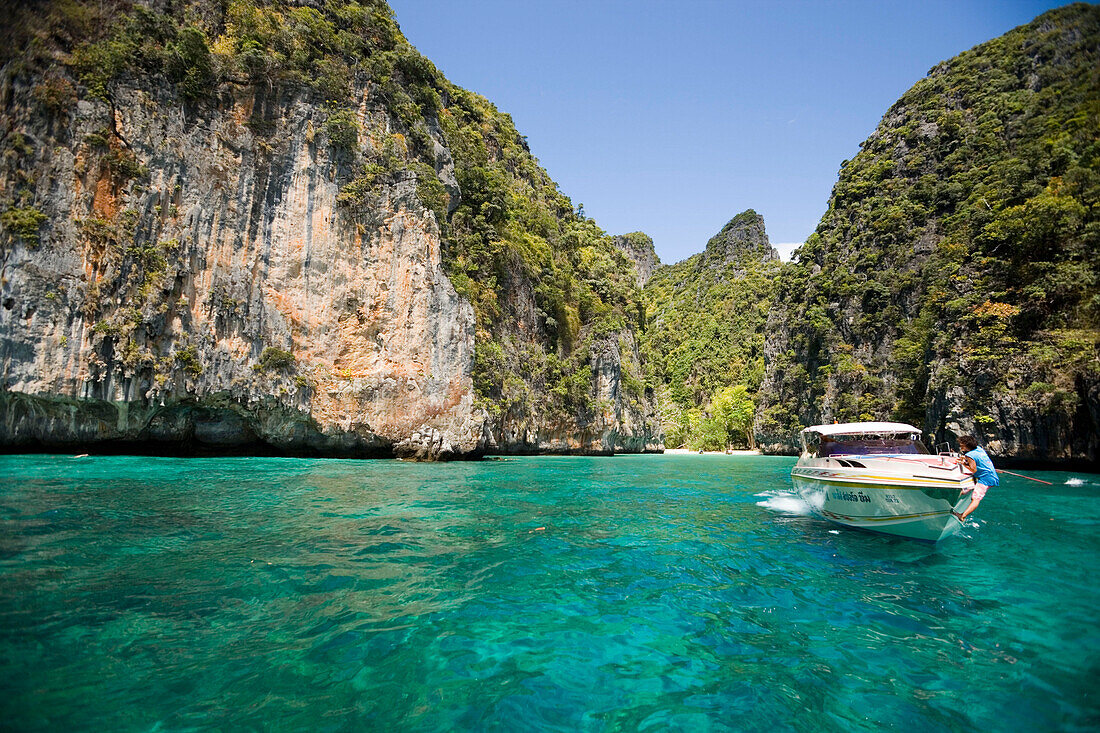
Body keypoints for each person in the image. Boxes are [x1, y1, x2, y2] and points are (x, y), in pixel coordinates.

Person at [955, 435, 999, 521]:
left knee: (975, 498)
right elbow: (977, 459)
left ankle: (962, 516)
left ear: (966, 445)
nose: (960, 446)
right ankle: (961, 496)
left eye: (961, 444)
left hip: (986, 479)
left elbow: (973, 469)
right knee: (967, 491)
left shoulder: (969, 455)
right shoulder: (979, 449)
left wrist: (963, 463)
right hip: (991, 476)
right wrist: (965, 459)